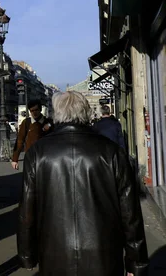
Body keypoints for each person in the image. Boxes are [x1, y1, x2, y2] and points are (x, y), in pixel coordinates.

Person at [17, 91, 148, 276]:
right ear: (86, 113)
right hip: (104, 253)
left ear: (58, 114)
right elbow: (130, 213)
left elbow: (26, 211)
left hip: (55, 251)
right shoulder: (112, 151)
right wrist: (136, 262)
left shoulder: (38, 152)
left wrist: (27, 254)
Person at [11, 99, 53, 170]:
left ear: (40, 109)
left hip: (45, 158)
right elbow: (19, 140)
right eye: (31, 111)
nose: (34, 113)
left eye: (36, 110)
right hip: (30, 158)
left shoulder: (48, 122)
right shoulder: (26, 123)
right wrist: (15, 159)